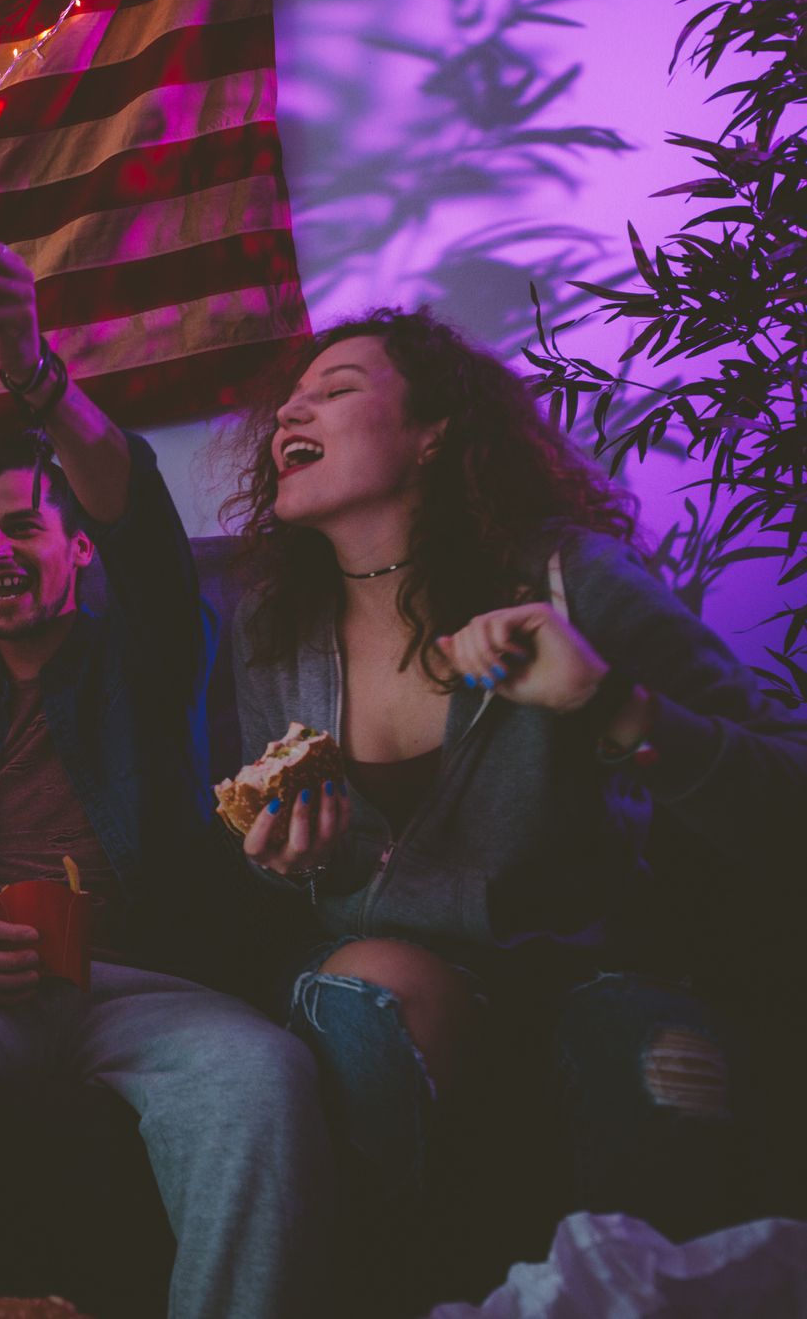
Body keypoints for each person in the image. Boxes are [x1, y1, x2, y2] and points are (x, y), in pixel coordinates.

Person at [220, 307, 807, 1300]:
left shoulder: (568, 579)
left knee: (658, 1076)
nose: (291, 408)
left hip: (592, 970)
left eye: (340, 386)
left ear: (435, 431)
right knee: (362, 986)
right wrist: (293, 862)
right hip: (400, 990)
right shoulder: (272, 628)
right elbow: (298, 875)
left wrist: (613, 704)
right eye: (293, 394)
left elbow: (783, 786)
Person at [0, 237, 332, 1319]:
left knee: (265, 1076)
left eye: (19, 528)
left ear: (78, 547)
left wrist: (37, 376)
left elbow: (140, 525)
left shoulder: (145, 652)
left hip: (139, 982)